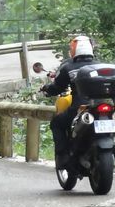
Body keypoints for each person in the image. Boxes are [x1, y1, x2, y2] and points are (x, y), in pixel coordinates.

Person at [40, 35, 96, 168]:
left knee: (56, 123)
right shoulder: (99, 65)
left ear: (73, 50)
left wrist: (46, 89)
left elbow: (56, 88)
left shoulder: (69, 68)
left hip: (80, 108)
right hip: (103, 106)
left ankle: (63, 156)